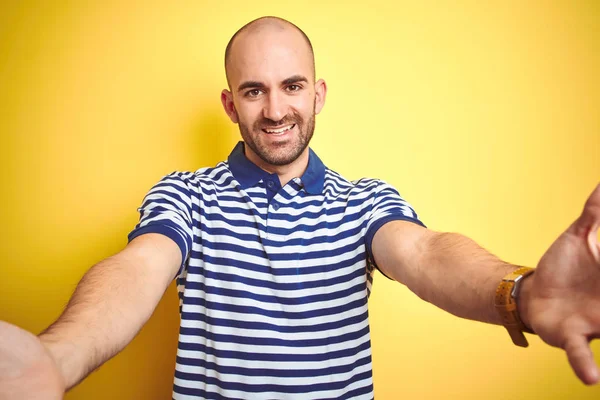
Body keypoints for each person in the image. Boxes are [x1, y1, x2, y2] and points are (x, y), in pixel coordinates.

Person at [0, 15, 598, 400]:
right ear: (231, 105)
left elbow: (425, 253)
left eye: (291, 86)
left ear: (318, 94)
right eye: (254, 90)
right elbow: (136, 270)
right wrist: (58, 357)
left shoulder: (364, 202)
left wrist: (521, 292)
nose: (276, 109)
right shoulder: (186, 196)